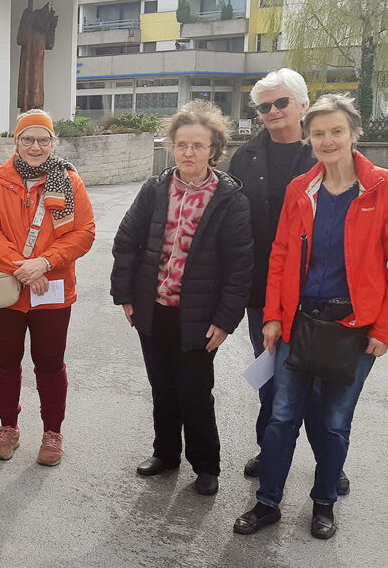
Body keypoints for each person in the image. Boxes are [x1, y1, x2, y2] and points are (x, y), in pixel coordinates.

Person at [234, 94, 388, 539]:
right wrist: (274, 316)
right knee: (281, 416)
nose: (327, 140)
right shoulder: (302, 189)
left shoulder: (383, 186)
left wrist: (385, 330)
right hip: (299, 324)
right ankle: (267, 502)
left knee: (335, 422)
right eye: (319, 133)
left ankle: (323, 503)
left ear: (354, 133)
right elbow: (279, 255)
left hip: (354, 330)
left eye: (337, 131)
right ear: (309, 139)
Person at [110, 101, 253, 496]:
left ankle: (207, 466)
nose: (188, 152)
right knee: (162, 387)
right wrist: (126, 295)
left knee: (194, 391)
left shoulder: (230, 200)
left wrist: (225, 321)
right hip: (153, 308)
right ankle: (166, 454)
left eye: (198, 145)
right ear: (172, 146)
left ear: (214, 150)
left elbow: (240, 268)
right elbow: (126, 243)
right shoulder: (155, 189)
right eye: (181, 144)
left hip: (199, 316)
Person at [0, 110, 95, 466]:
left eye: (43, 139)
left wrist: (43, 263)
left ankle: (52, 432)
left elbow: (84, 232)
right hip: (8, 287)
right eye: (28, 139)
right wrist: (22, 267)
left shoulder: (69, 181)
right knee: (5, 362)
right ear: (16, 142)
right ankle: (8, 427)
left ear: (53, 143)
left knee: (50, 362)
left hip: (53, 286)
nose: (35, 146)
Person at [228, 69, 330, 484]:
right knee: (270, 375)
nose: (272, 112)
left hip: (320, 291)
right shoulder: (245, 157)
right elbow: (232, 224)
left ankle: (329, 460)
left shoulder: (326, 154)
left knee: (320, 383)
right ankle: (270, 448)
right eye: (264, 106)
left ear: (303, 106)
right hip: (263, 291)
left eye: (281, 103)